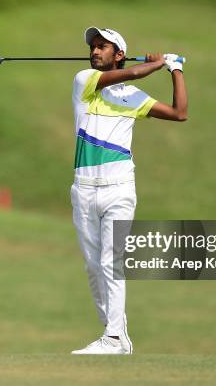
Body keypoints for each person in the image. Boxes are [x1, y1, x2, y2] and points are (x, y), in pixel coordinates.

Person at [70, 27, 188, 355]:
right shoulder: (84, 81)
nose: (95, 51)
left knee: (111, 261)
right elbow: (136, 72)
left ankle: (112, 338)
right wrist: (158, 63)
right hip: (83, 189)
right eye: (93, 46)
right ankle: (116, 332)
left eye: (103, 46)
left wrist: (175, 70)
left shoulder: (133, 98)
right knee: (93, 266)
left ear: (117, 54)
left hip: (119, 188)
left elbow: (180, 113)